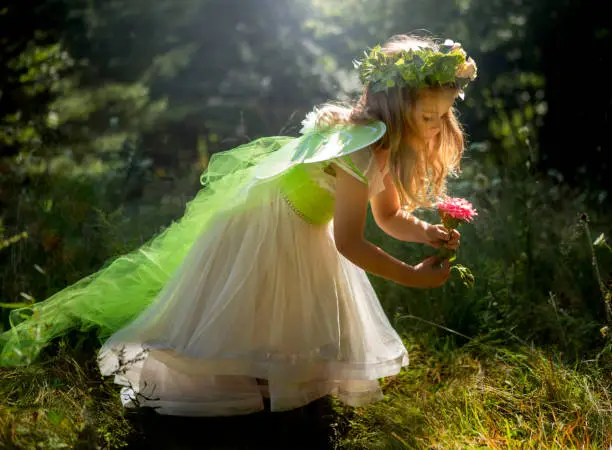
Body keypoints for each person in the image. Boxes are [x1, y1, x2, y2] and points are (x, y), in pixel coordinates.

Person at [0, 34, 476, 416]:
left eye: (442, 115)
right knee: (250, 312)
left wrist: (424, 232)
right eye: (427, 115)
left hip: (304, 227)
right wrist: (410, 276)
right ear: (394, 106)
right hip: (269, 226)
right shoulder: (358, 148)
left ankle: (278, 391)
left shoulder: (382, 148)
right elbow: (349, 242)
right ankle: (248, 389)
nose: (436, 125)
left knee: (288, 317)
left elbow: (389, 215)